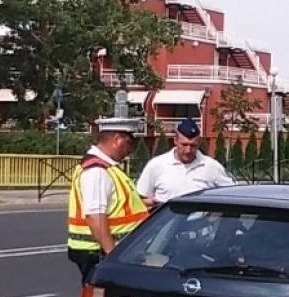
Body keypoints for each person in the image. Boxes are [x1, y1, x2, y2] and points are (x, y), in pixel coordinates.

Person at [67, 118, 149, 284]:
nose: (130, 150)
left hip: (103, 252)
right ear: (117, 139)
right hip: (99, 253)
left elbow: (116, 205)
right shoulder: (97, 171)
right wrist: (113, 257)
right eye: (129, 143)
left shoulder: (106, 168)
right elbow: (95, 216)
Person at [136, 118, 234, 208]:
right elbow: (139, 200)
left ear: (199, 142)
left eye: (193, 145)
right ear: (175, 140)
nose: (188, 150)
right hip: (166, 221)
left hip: (200, 221)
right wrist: (153, 203)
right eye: (184, 144)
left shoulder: (211, 166)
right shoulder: (156, 165)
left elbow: (232, 195)